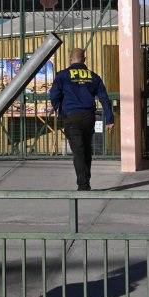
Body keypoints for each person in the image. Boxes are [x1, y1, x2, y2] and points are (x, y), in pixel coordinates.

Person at [49, 48, 115, 190]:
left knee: (78, 151)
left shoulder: (63, 76)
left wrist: (60, 111)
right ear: (84, 59)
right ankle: (86, 180)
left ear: (70, 59)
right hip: (88, 118)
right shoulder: (93, 76)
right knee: (86, 149)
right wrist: (109, 119)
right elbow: (104, 99)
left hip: (71, 118)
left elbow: (54, 95)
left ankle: (83, 185)